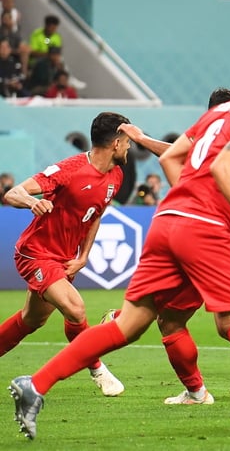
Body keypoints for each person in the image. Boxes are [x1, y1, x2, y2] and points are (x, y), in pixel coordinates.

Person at [9, 50, 230, 445]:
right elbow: (224, 169)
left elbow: (173, 157)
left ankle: (35, 384)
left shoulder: (219, 114)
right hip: (203, 230)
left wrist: (188, 196)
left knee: (128, 325)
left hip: (167, 221)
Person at [114, 80, 230, 404]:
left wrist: (143, 139)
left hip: (205, 239)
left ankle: (196, 391)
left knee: (169, 319)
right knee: (227, 323)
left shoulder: (220, 146)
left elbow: (178, 159)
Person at [0, 112, 130, 399]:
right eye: (128, 141)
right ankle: (97, 368)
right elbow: (12, 193)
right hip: (36, 253)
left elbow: (95, 215)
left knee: (31, 320)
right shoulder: (69, 170)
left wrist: (84, 256)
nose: (130, 147)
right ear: (116, 143)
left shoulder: (116, 175)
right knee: (76, 309)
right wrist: (32, 202)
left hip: (64, 258)